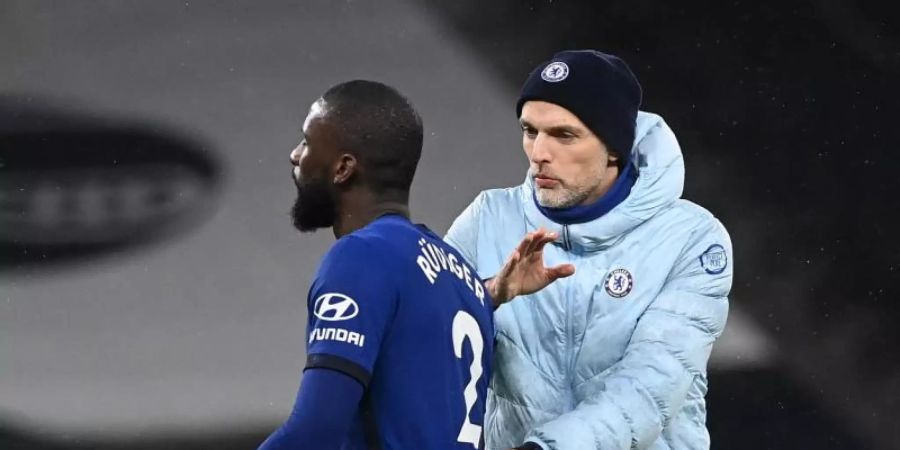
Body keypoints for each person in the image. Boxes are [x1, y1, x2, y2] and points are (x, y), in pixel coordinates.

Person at [446, 50, 734, 450]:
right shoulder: (488, 219)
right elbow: (426, 344)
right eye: (530, 131)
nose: (539, 154)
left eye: (564, 135)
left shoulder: (691, 238)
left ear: (614, 146)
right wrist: (490, 293)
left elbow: (649, 387)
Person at [259, 80, 503, 449]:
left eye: (307, 142)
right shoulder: (464, 278)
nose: (295, 155)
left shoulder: (361, 257)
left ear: (343, 168)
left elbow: (316, 430)